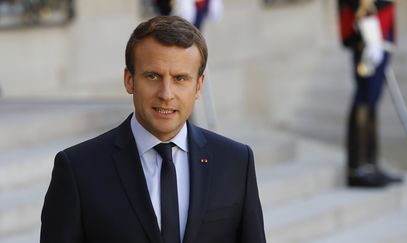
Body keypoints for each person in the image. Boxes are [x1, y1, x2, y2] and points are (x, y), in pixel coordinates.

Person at [40, 16, 266, 243]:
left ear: (198, 86)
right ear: (129, 80)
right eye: (152, 76)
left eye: (180, 79)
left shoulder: (236, 162)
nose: (166, 94)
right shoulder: (78, 170)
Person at [338, 0, 402, 188]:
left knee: (372, 99)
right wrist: (371, 35)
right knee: (364, 97)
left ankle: (370, 162)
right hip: (368, 28)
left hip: (381, 26)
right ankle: (357, 166)